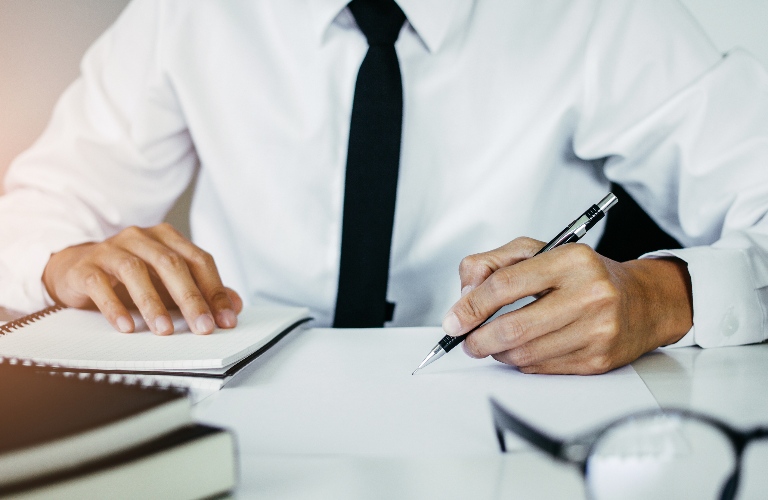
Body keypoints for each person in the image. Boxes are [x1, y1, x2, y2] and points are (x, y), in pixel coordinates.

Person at [1, 0, 767, 375]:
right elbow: (31, 213)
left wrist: (662, 297)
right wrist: (64, 259)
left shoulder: (602, 12)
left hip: (505, 424)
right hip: (235, 420)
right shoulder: (190, 10)